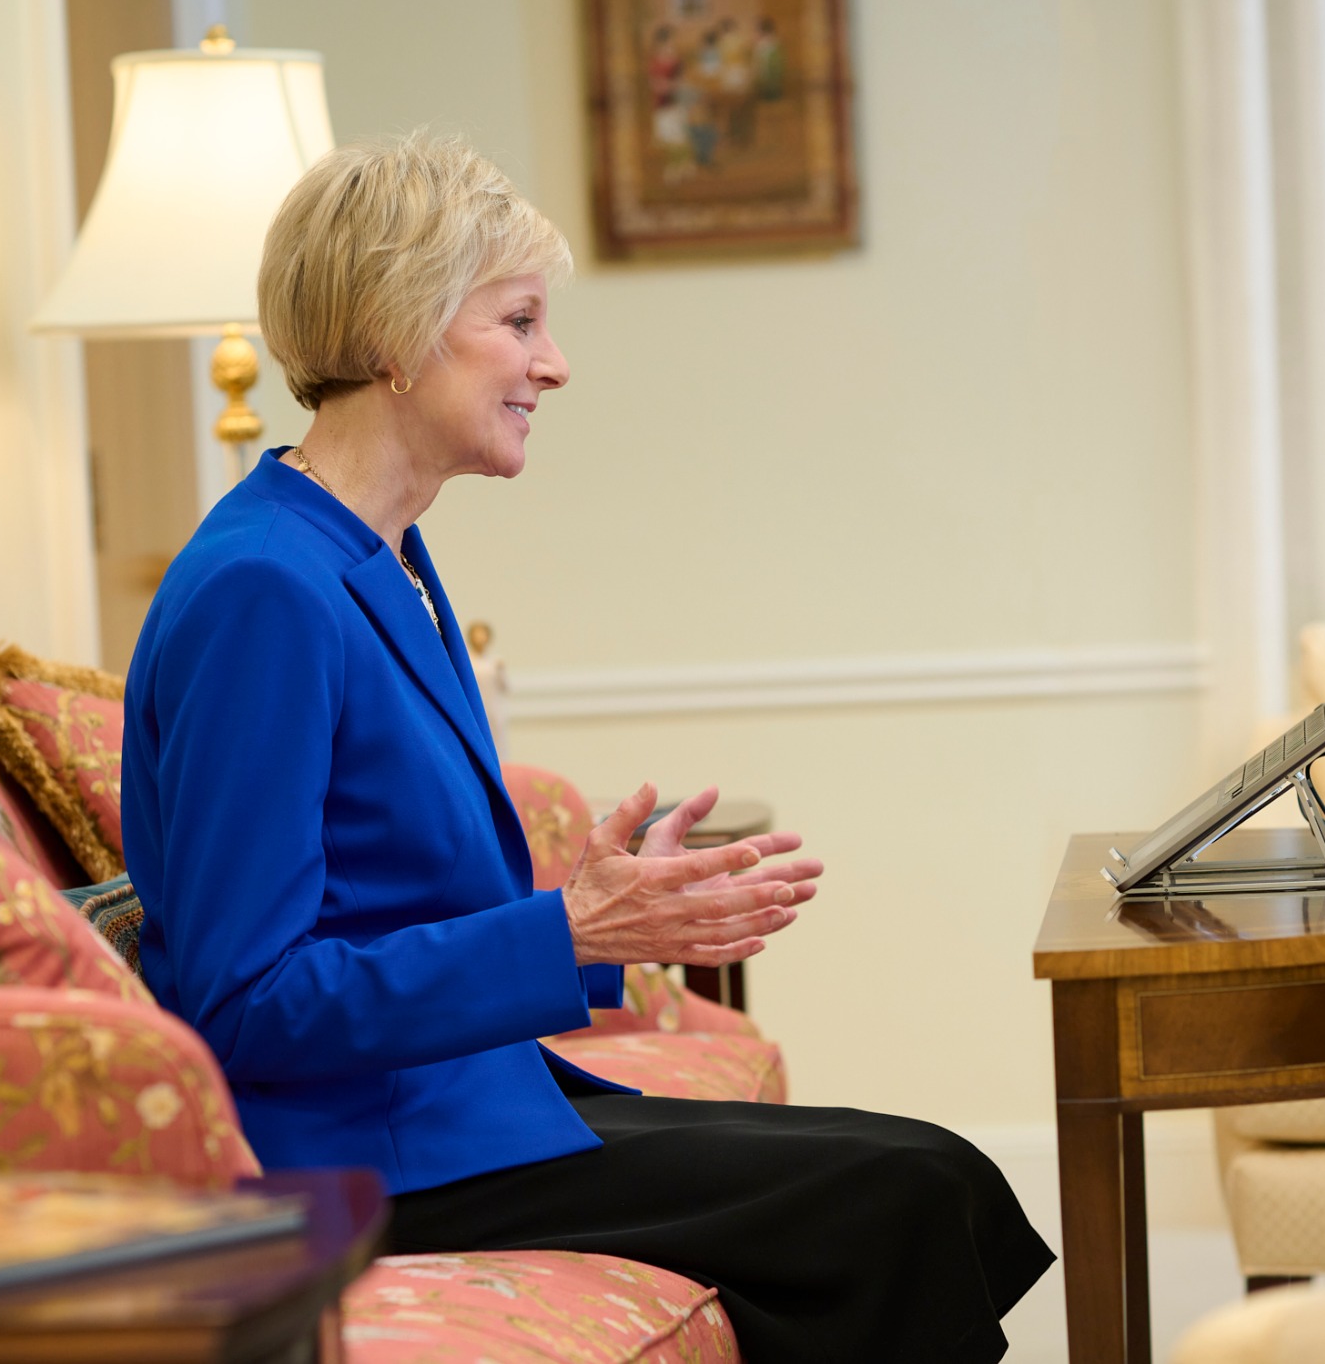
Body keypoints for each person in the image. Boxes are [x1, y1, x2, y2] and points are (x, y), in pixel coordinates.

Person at [121, 133, 1053, 1362]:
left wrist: (591, 911)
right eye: (518, 322)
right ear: (398, 332)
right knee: (898, 1198)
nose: (552, 365)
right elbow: (245, 1003)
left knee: (933, 1172)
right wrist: (565, 932)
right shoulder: (265, 590)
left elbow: (382, 894)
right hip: (358, 1159)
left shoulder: (381, 554)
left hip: (452, 1107)